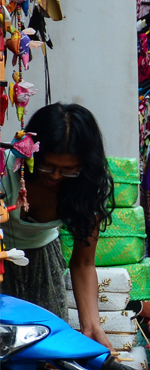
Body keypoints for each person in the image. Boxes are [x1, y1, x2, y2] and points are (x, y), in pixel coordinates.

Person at [0, 103, 115, 347]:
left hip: (44, 266)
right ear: (32, 153)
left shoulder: (87, 187)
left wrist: (92, 328)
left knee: (46, 352)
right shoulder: (4, 171)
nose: (54, 176)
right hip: (1, 264)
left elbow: (83, 262)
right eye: (47, 166)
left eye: (68, 170)